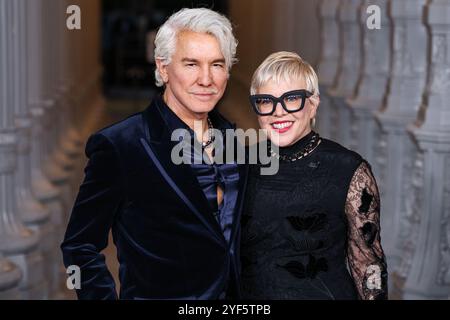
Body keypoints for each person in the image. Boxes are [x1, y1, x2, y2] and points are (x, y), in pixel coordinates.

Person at [61, 8, 248, 300]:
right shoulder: (119, 145)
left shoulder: (236, 141)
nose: (206, 78)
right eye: (191, 64)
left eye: (217, 64)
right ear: (163, 68)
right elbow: (79, 245)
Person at [240, 51, 388, 300]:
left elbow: (368, 261)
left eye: (292, 99)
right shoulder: (240, 163)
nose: (279, 112)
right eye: (266, 101)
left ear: (314, 104)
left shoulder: (348, 169)